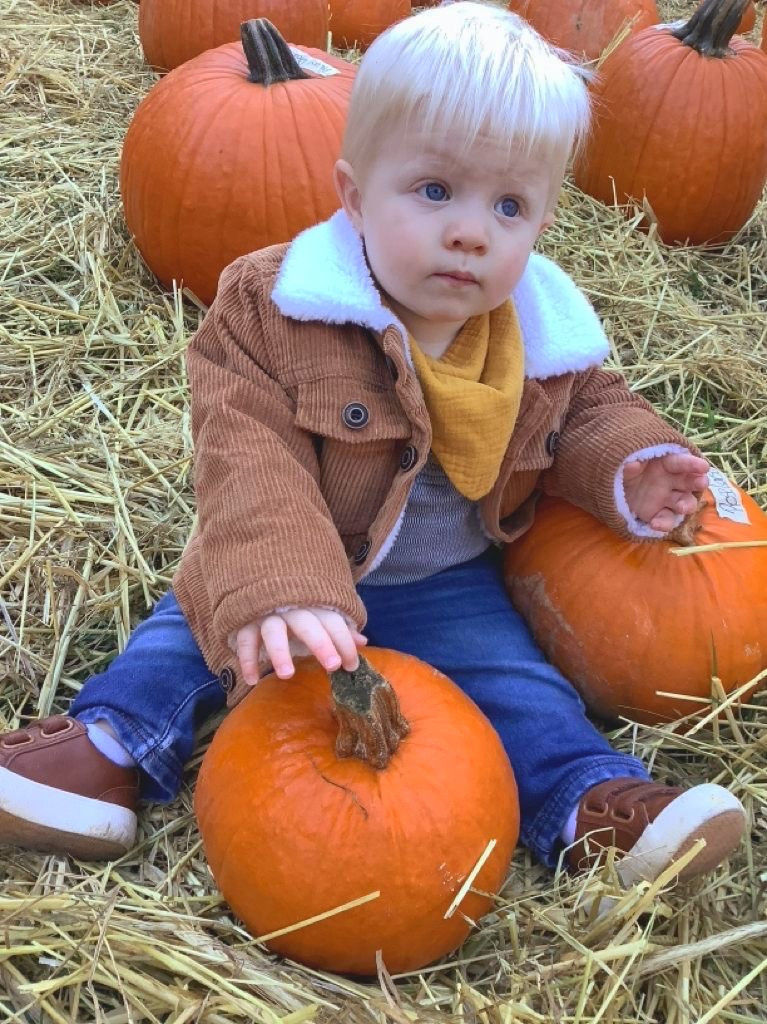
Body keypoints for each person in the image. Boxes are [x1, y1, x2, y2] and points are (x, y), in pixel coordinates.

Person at [0, 2, 746, 886]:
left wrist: (631, 462)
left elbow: (589, 411)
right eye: (435, 191)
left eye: (509, 204)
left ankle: (590, 804)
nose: (471, 230)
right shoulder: (274, 308)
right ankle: (108, 749)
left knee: (518, 684)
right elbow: (249, 461)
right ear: (353, 195)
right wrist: (277, 590)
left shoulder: (541, 331)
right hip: (285, 555)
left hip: (443, 581)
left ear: (542, 222)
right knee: (184, 639)